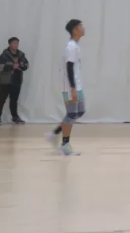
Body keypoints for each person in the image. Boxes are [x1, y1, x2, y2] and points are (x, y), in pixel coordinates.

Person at [47, 19, 85, 156]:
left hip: (77, 84)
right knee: (72, 113)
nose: (83, 28)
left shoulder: (75, 46)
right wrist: (72, 88)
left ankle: (55, 133)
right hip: (69, 85)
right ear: (74, 30)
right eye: (80, 26)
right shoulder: (70, 47)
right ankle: (65, 145)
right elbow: (69, 67)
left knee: (80, 111)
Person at [0, 37, 29, 125]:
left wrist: (21, 66)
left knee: (14, 100)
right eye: (14, 43)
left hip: (17, 80)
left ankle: (15, 117)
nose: (16, 45)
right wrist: (11, 67)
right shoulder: (4, 55)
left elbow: (26, 65)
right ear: (10, 44)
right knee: (1, 99)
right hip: (6, 81)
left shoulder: (21, 55)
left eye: (17, 43)